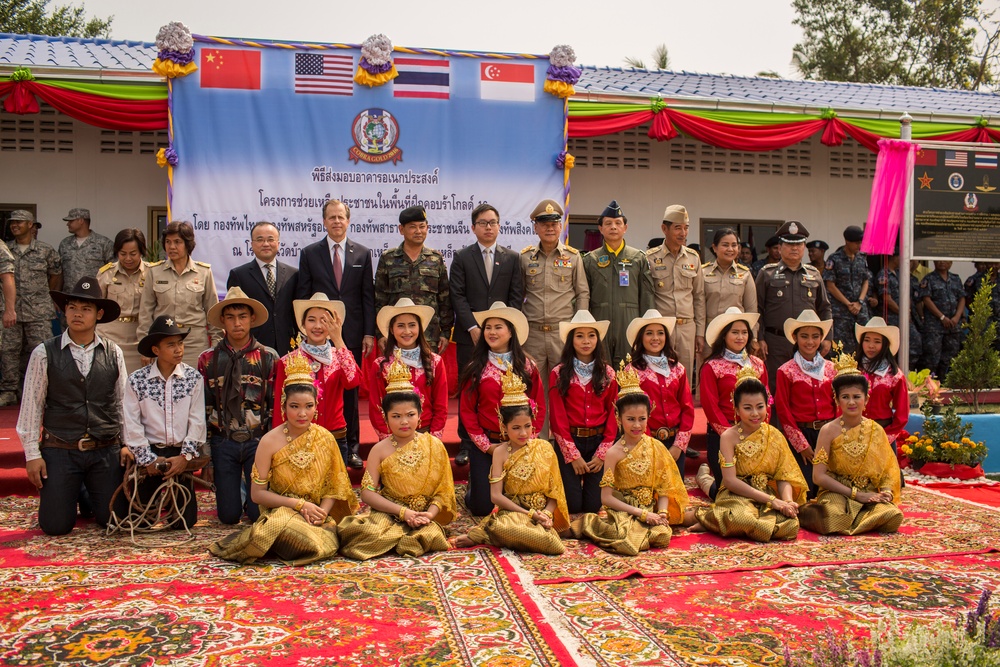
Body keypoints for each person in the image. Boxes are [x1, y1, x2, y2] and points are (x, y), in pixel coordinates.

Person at [210, 355, 358, 564]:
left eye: (309, 406)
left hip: (316, 513)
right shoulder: (269, 441)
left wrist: (321, 513)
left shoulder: (325, 437)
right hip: (283, 510)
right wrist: (298, 505)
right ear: (283, 405)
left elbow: (335, 487)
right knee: (267, 536)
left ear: (316, 406)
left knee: (318, 543)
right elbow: (257, 494)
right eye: (295, 406)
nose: (302, 413)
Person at [16, 277, 129, 535]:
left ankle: (87, 492)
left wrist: (126, 445)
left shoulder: (114, 353)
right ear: (64, 311)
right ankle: (73, 487)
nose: (78, 314)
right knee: (56, 526)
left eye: (86, 309)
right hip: (61, 449)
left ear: (99, 314)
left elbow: (123, 404)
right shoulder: (44, 352)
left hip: (104, 448)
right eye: (72, 307)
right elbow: (31, 407)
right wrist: (33, 455)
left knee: (115, 520)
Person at [338, 356, 455, 560]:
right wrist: (403, 513)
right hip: (390, 512)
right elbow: (367, 493)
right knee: (364, 536)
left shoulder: (434, 445)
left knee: (431, 536)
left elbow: (444, 492)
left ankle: (407, 537)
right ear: (385, 418)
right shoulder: (379, 450)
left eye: (410, 415)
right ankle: (399, 537)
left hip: (424, 514)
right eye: (396, 416)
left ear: (420, 415)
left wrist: (430, 514)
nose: (404, 422)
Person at [570, 363, 689, 555]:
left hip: (650, 510)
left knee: (661, 535)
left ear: (649, 416)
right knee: (626, 540)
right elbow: (606, 498)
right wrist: (642, 514)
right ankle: (589, 524)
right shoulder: (613, 453)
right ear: (618, 418)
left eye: (642, 419)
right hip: (624, 512)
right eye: (630, 419)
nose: (636, 425)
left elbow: (664, 487)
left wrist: (662, 514)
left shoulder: (655, 446)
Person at [453, 363, 569, 554]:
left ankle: (495, 535)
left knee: (554, 546)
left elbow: (555, 493)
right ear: (503, 426)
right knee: (503, 528)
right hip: (514, 512)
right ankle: (495, 533)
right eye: (516, 428)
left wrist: (547, 514)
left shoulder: (545, 448)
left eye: (527, 426)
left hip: (542, 512)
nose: (523, 433)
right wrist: (529, 514)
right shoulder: (500, 452)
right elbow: (496, 496)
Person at [296, 199, 375, 469]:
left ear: (348, 220)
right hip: (317, 333)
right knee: (315, 389)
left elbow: (367, 297)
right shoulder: (309, 253)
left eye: (341, 217)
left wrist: (367, 333)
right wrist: (305, 331)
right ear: (324, 221)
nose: (337, 222)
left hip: (349, 335)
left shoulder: (362, 254)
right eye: (331, 217)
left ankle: (351, 447)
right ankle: (313, 439)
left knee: (350, 393)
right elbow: (304, 293)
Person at [690, 368, 807, 542]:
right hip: (737, 494)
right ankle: (711, 518)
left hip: (767, 491)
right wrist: (772, 501)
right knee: (741, 517)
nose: (755, 413)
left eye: (760, 407)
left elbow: (784, 476)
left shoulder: (774, 435)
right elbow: (730, 481)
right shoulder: (728, 437)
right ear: (736, 409)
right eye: (747, 408)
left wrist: (787, 502)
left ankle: (719, 522)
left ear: (767, 406)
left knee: (790, 526)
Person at [450, 203, 523, 467]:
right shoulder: (462, 257)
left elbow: (516, 297)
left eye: (492, 222)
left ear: (499, 226)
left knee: (501, 389)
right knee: (470, 389)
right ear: (473, 227)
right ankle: (467, 444)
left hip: (502, 337)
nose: (488, 227)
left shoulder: (512, 258)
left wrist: (503, 331)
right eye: (483, 223)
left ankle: (506, 437)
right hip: (469, 336)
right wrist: (472, 327)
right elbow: (456, 295)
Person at [198, 287, 279, 524]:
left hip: (257, 441)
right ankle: (234, 497)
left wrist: (274, 447)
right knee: (229, 516)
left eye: (242, 317)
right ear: (222, 321)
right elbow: (204, 407)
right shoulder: (208, 359)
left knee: (257, 515)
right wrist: (207, 456)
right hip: (224, 440)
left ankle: (252, 499)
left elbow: (273, 404)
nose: (237, 323)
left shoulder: (268, 357)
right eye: (230, 317)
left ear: (252, 319)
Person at [798, 357, 903, 535]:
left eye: (856, 397)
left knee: (893, 515)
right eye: (845, 397)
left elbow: (887, 471)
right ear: (837, 400)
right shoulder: (828, 430)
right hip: (837, 492)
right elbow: (818, 476)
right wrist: (855, 495)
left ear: (866, 399)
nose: (851, 402)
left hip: (869, 491)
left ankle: (857, 517)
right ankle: (819, 514)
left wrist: (886, 492)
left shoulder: (876, 430)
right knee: (832, 519)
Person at [458, 302, 544, 516]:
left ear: (510, 332)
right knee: (481, 508)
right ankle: (474, 487)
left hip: (520, 443)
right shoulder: (475, 367)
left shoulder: (527, 366)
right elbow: (467, 411)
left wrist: (528, 439)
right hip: (488, 445)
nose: (492, 332)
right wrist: (487, 447)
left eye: (498, 327)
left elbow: (538, 405)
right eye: (488, 327)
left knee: (528, 503)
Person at [123, 315, 207, 530]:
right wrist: (147, 459)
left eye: (180, 343)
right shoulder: (136, 380)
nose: (178, 349)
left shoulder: (193, 378)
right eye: (171, 345)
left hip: (180, 452)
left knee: (183, 522)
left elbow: (197, 421)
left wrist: (185, 457)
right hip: (150, 453)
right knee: (140, 522)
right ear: (156, 350)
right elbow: (131, 424)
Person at [520, 198, 589, 436]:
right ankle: (537, 441)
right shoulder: (525, 258)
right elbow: (518, 295)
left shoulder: (573, 256)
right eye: (544, 223)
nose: (550, 228)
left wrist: (579, 331)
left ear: (561, 227)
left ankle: (563, 440)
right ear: (535, 227)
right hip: (533, 335)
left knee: (564, 388)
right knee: (533, 390)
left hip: (562, 334)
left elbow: (582, 293)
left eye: (554, 223)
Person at [272, 293, 360, 464]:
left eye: (325, 320)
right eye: (312, 320)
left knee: (336, 490)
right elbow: (279, 407)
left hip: (334, 436)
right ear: (303, 324)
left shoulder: (339, 356)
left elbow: (353, 382)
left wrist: (339, 339)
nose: (318, 326)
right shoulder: (288, 361)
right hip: (298, 438)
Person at [548, 311, 617, 514]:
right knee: (572, 505)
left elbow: (613, 415)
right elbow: (557, 417)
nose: (586, 341)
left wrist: (603, 453)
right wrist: (572, 455)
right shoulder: (559, 373)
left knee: (592, 506)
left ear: (598, 339)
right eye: (580, 336)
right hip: (570, 442)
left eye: (591, 335)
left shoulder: (608, 373)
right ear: (571, 340)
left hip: (598, 443)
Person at [698, 307, 768, 499]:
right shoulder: (711, 366)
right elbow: (710, 405)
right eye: (735, 332)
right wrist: (730, 435)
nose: (740, 337)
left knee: (757, 490)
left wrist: (760, 429)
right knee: (727, 495)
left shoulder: (758, 364)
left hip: (755, 432)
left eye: (744, 332)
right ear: (724, 336)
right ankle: (705, 480)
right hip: (722, 435)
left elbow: (767, 398)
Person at [756, 221, 832, 394]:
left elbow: (824, 308)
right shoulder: (767, 273)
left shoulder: (813, 274)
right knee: (776, 388)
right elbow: (757, 308)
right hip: (776, 342)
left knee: (806, 387)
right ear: (780, 247)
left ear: (804, 247)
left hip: (807, 342)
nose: (794, 248)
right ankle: (776, 423)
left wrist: (827, 337)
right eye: (789, 244)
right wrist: (759, 338)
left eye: (798, 244)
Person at [137, 221, 222, 369]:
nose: (171, 247)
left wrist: (215, 346)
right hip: (164, 341)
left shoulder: (203, 272)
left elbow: (212, 312)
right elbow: (146, 312)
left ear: (188, 244)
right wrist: (146, 345)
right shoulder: (154, 272)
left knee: (194, 387)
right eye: (168, 242)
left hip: (194, 342)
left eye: (177, 242)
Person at [583, 200, 655, 367]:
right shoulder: (590, 260)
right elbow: (583, 295)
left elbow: (647, 295)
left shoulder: (637, 258)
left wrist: (647, 327)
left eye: (618, 223)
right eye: (608, 223)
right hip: (600, 323)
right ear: (600, 229)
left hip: (630, 324)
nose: (613, 227)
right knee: (601, 369)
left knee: (630, 370)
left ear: (625, 227)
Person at [0, 211, 61, 406]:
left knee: (40, 351)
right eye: (12, 223)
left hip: (39, 311)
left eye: (19, 222)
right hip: (11, 310)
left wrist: (49, 297)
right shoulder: (6, 249)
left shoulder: (45, 250)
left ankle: (39, 390)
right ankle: (9, 390)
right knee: (9, 350)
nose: (14, 225)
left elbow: (56, 274)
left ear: (30, 224)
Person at [373, 205, 453, 354]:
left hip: (429, 335)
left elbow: (444, 298)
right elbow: (380, 298)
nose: (418, 231)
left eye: (422, 226)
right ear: (401, 229)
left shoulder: (436, 259)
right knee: (397, 375)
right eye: (412, 227)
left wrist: (445, 332)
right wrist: (380, 333)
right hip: (397, 335)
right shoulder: (388, 258)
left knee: (428, 375)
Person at [774, 310, 836, 498]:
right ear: (795, 338)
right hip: (802, 435)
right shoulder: (785, 371)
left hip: (829, 434)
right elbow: (783, 411)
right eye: (804, 336)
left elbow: (838, 404)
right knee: (807, 491)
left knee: (831, 490)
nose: (810, 342)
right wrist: (801, 445)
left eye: (815, 336)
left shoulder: (832, 369)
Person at [369, 298, 448, 441]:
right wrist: (389, 441)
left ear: (420, 328)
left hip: (426, 436)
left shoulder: (435, 362)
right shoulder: (381, 365)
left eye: (412, 325)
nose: (407, 331)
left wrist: (433, 440)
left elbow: (441, 406)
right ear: (392, 330)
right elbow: (376, 408)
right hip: (392, 438)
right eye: (401, 326)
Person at [647, 204, 706, 394]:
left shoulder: (693, 258)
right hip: (661, 328)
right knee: (659, 376)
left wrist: (700, 332)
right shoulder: (650, 258)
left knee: (685, 379)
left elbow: (699, 297)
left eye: (686, 227)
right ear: (665, 229)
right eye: (678, 227)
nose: (683, 232)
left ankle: (684, 423)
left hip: (687, 328)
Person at [623, 309, 695, 461]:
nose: (655, 338)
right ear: (641, 337)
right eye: (649, 333)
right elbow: (630, 412)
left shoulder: (678, 369)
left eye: (660, 333)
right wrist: (649, 444)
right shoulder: (632, 371)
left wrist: (679, 445)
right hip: (644, 441)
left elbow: (687, 408)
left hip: (675, 442)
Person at [226, 221, 298, 357]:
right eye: (260, 240)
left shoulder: (293, 274)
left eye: (270, 239)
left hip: (288, 345)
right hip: (253, 347)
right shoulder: (239, 275)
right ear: (252, 244)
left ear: (278, 243)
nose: (265, 244)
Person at [97, 228, 150, 374]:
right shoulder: (106, 273)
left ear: (141, 252)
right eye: (123, 254)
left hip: (138, 338)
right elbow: (96, 307)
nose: (128, 258)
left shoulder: (152, 273)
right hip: (110, 337)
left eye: (133, 254)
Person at [699, 228, 758, 353]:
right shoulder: (703, 272)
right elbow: (699, 307)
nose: (730, 249)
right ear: (714, 248)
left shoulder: (745, 274)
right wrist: (699, 334)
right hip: (709, 336)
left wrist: (754, 338)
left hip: (737, 338)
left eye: (734, 245)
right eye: (725, 245)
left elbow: (751, 310)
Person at [854, 317, 909, 446]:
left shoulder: (895, 376)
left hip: (883, 435)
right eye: (867, 340)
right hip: (853, 435)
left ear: (885, 345)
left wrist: (885, 438)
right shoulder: (853, 370)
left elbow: (902, 415)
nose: (871, 345)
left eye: (877, 341)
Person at [823, 225, 872, 355]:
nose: (859, 245)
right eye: (856, 243)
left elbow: (866, 280)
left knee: (863, 345)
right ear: (847, 242)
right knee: (840, 348)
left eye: (861, 242)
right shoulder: (835, 259)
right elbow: (830, 285)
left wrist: (860, 301)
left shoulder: (862, 258)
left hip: (860, 310)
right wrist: (848, 304)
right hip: (841, 312)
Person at [918, 260, 966, 380]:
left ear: (951, 263)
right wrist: (942, 317)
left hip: (953, 327)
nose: (942, 263)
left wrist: (957, 317)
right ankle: (930, 386)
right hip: (935, 327)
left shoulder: (956, 279)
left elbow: (962, 298)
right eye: (939, 260)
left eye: (945, 261)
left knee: (950, 358)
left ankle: (947, 383)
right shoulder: (928, 279)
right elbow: (926, 299)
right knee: (932, 358)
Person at [875, 250, 921, 369]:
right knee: (892, 348)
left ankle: (906, 371)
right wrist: (904, 313)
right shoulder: (884, 275)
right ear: (894, 257)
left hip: (905, 317)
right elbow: (887, 299)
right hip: (892, 318)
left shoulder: (901, 273)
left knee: (914, 345)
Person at [57, 207, 114, 297]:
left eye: (71, 221)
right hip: (69, 297)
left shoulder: (104, 243)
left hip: (95, 297)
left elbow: (113, 271)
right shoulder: (65, 244)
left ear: (80, 221)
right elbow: (59, 272)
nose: (67, 224)